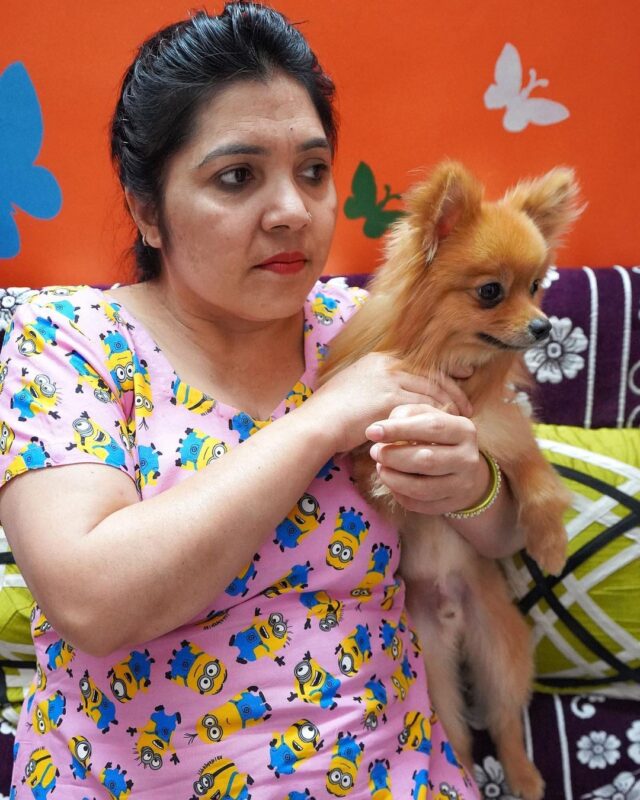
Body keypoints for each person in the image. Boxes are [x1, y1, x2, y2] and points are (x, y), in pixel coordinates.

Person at [0, 4, 523, 797]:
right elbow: (93, 599)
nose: (293, 211)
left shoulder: (369, 327)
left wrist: (474, 485)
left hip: (392, 775)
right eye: (237, 177)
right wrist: (320, 422)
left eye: (313, 171)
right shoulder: (68, 341)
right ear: (147, 209)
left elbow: (502, 529)